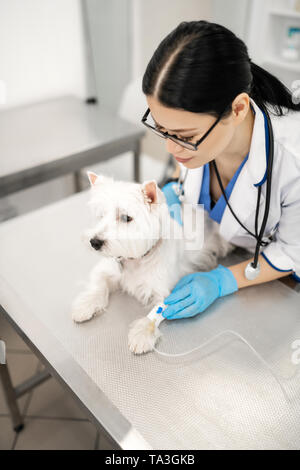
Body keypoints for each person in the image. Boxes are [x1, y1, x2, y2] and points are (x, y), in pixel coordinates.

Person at [141, 20, 300, 320]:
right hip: (232, 252)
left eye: (184, 137)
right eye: (162, 130)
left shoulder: (292, 158)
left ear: (238, 109)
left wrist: (222, 281)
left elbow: (294, 252)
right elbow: (185, 170)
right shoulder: (201, 132)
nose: (171, 148)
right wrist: (173, 192)